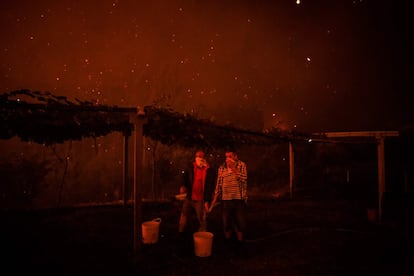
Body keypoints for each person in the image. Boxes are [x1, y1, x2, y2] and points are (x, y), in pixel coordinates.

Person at [209, 148, 247, 244]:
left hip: (239, 200)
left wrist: (234, 169)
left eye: (230, 156)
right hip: (226, 200)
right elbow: (218, 186)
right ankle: (228, 243)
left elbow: (244, 180)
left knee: (240, 223)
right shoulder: (222, 168)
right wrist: (212, 205)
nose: (228, 159)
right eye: (226, 157)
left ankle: (240, 244)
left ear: (235, 156)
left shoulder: (241, 165)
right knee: (226, 223)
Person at [178, 150, 216, 234]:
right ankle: (180, 234)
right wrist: (183, 185)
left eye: (201, 156)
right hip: (189, 197)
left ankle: (202, 237)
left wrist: (207, 200)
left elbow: (210, 186)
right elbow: (184, 177)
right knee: (183, 216)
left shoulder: (209, 170)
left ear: (204, 158)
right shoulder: (191, 166)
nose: (199, 158)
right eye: (197, 156)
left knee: (201, 219)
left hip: (200, 200)